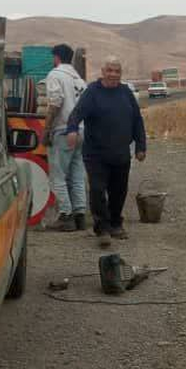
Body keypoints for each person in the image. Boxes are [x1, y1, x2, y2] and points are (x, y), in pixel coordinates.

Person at [65, 56, 147, 248]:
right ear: (102, 72)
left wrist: (141, 146)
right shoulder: (92, 92)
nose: (113, 74)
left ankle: (116, 224)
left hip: (120, 152)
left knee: (119, 191)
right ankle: (101, 229)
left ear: (121, 74)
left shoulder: (125, 92)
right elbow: (76, 114)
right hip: (96, 153)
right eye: (109, 70)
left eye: (117, 71)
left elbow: (137, 120)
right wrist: (72, 130)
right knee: (97, 190)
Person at [41, 44, 88, 231]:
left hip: (63, 130)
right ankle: (80, 215)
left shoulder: (55, 75)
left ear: (56, 57)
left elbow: (55, 101)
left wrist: (46, 128)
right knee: (77, 173)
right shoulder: (79, 79)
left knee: (58, 174)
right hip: (81, 130)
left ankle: (65, 216)